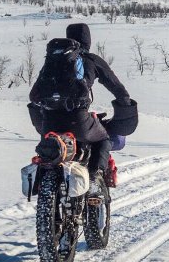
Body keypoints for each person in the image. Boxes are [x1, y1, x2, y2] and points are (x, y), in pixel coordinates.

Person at [29, 22, 132, 185]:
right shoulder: (91, 60)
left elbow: (35, 94)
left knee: (48, 158)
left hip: (49, 121)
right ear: (88, 40)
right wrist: (125, 104)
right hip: (78, 120)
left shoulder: (52, 62)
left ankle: (47, 192)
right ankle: (94, 177)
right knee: (103, 139)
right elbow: (117, 87)